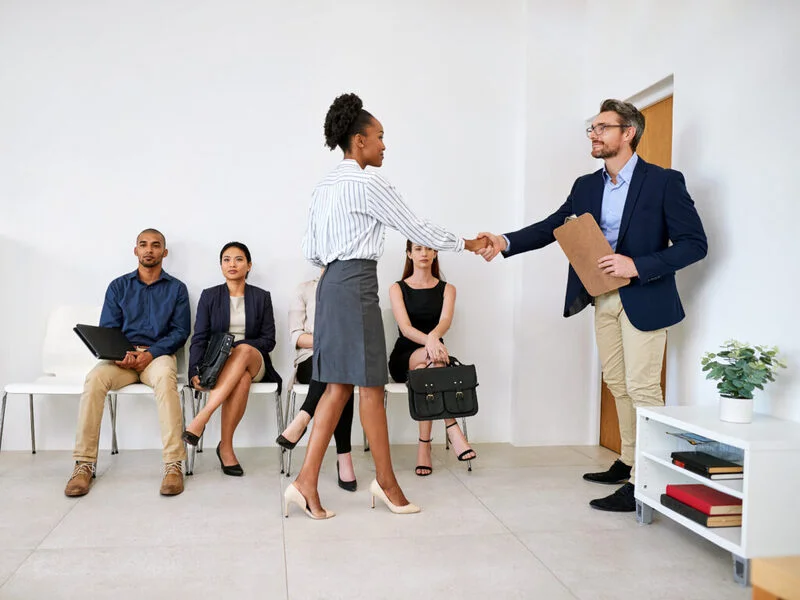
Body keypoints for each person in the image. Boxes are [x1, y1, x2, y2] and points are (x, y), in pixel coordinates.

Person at [478, 99, 707, 512]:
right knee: (617, 383)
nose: (593, 134)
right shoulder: (587, 185)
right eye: (592, 128)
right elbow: (554, 225)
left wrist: (637, 265)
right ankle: (629, 458)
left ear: (629, 133)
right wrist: (505, 241)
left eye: (602, 127)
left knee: (642, 387)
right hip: (602, 296)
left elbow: (695, 244)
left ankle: (645, 481)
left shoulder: (663, 182)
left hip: (646, 297)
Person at [285, 92, 486, 519]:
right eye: (379, 137)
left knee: (341, 387)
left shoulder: (324, 186)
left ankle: (306, 483)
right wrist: (465, 243)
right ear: (359, 141)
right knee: (369, 386)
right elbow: (414, 226)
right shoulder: (368, 182)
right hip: (355, 285)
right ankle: (386, 484)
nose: (383, 145)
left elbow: (311, 250)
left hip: (332, 284)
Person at [64, 228, 190, 497]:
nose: (149, 250)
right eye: (143, 245)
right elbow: (108, 328)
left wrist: (150, 353)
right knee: (94, 379)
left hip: (156, 357)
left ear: (164, 253)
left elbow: (180, 331)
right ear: (135, 250)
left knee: (167, 381)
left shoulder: (177, 289)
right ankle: (83, 464)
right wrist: (122, 354)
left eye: (156, 246)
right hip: (121, 358)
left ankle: (173, 465)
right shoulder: (118, 286)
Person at [182, 242, 282, 476]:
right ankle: (226, 447)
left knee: (244, 350)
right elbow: (199, 338)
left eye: (238, 259)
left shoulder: (262, 297)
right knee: (242, 380)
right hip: (220, 366)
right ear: (221, 266)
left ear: (248, 265)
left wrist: (235, 349)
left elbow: (269, 341)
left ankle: (202, 417)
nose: (232, 264)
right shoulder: (209, 296)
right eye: (226, 259)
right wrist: (193, 371)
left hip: (255, 361)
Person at [388, 241, 476, 476]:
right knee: (432, 364)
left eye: (428, 248)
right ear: (409, 254)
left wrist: (434, 339)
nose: (424, 253)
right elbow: (406, 329)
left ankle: (423, 449)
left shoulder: (448, 289)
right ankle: (452, 428)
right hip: (405, 355)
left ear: (436, 253)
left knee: (431, 366)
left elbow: (444, 322)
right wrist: (431, 342)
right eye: (417, 249)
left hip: (434, 356)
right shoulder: (397, 288)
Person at [277, 271, 357, 491]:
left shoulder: (351, 289)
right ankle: (345, 457)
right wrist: (327, 342)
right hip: (310, 360)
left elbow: (356, 333)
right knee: (339, 377)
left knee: (339, 376)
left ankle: (303, 416)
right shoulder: (304, 288)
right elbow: (296, 336)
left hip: (344, 361)